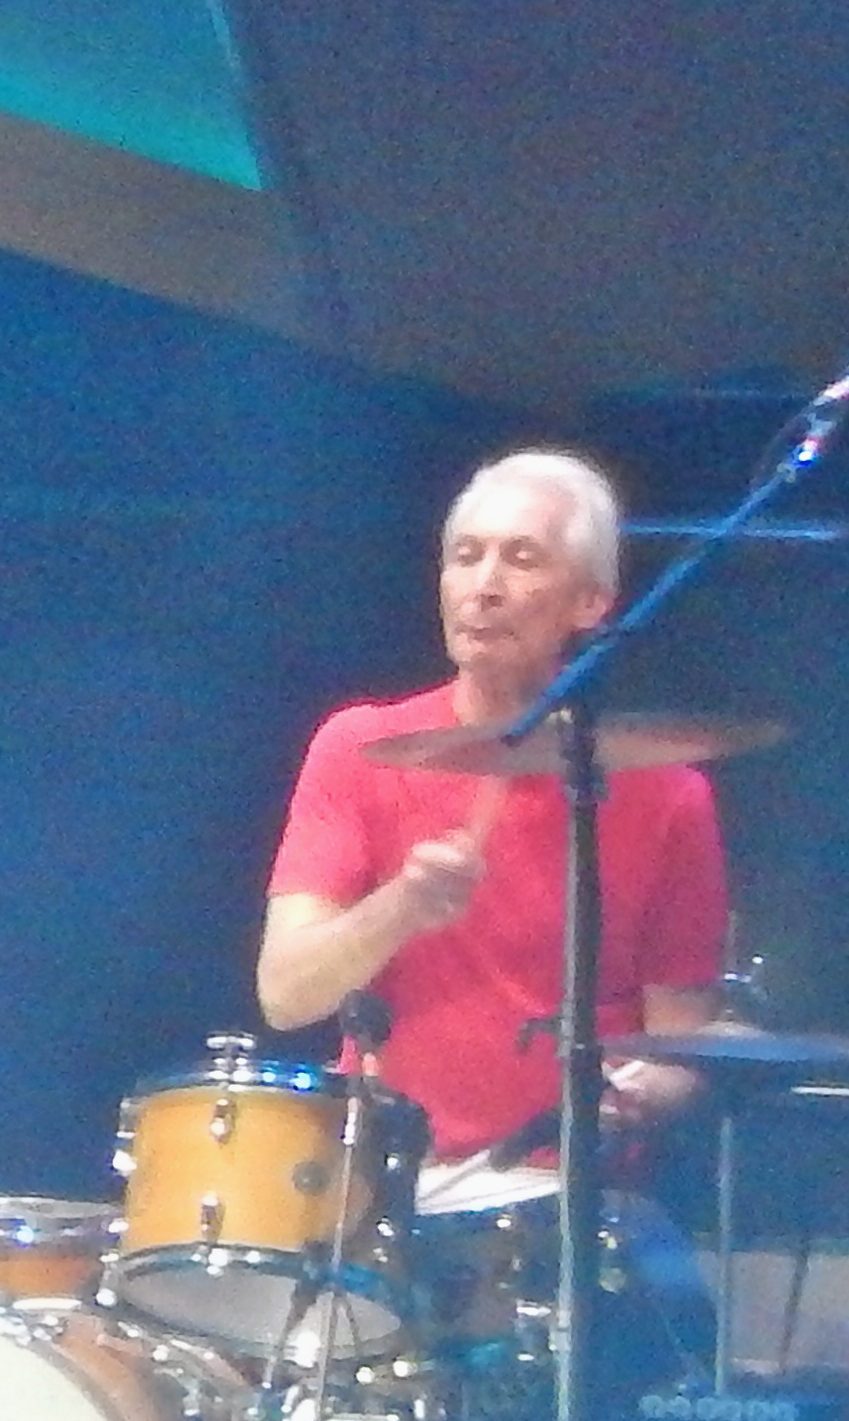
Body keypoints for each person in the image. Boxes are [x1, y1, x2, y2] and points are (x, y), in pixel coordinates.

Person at [259, 447, 730, 1159]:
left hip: (569, 1187)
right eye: (465, 556)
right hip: (392, 1181)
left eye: (522, 559)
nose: (484, 586)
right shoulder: (357, 747)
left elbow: (679, 1047)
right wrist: (403, 906)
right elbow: (285, 993)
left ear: (591, 602)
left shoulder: (669, 793)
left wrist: (640, 1094)